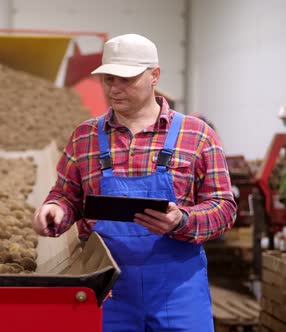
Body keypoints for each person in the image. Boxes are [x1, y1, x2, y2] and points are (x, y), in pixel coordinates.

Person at [32, 34, 236, 331]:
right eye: (109, 79)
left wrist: (182, 220)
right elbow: (67, 196)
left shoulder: (198, 135)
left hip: (178, 292)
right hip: (107, 289)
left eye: (126, 79)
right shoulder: (84, 137)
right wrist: (55, 210)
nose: (115, 89)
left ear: (154, 75)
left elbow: (224, 208)